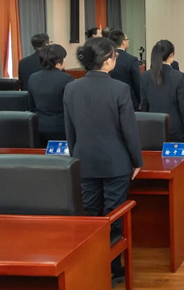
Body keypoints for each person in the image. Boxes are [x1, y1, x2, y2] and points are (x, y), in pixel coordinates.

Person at [63, 37, 143, 284]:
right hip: (115, 163)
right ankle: (113, 268)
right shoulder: (120, 89)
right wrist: (137, 160)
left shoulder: (71, 88)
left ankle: (92, 266)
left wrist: (76, 157)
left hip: (84, 161)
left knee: (90, 217)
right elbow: (129, 131)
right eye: (114, 56)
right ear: (107, 60)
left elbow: (70, 131)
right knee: (113, 216)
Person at [140, 40, 184, 142]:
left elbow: (144, 104)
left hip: (152, 126)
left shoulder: (145, 76)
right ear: (171, 55)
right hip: (175, 128)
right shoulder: (179, 76)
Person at [26, 44, 74, 146]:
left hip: (38, 126)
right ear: (58, 61)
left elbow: (31, 105)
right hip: (61, 127)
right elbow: (72, 106)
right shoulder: (66, 79)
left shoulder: (33, 77)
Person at [108, 29, 142, 110]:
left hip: (110, 101)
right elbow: (137, 83)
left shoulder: (105, 59)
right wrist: (141, 100)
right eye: (127, 39)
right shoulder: (131, 60)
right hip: (129, 101)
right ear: (123, 42)